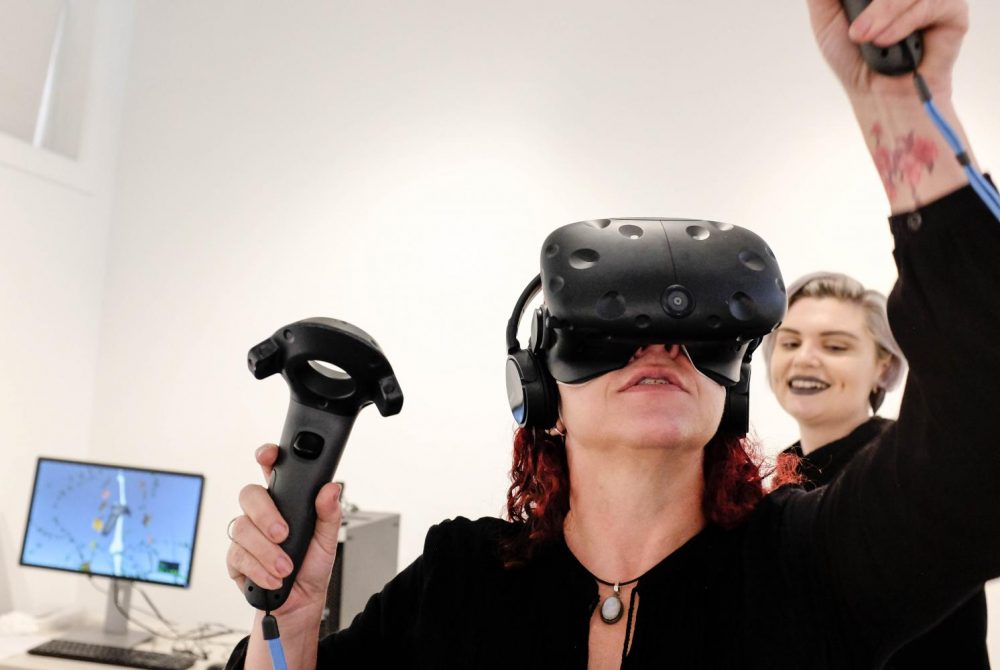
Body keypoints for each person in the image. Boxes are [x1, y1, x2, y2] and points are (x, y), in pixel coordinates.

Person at [224, 0, 1000, 667]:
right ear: (538, 394)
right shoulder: (461, 581)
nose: (657, 346)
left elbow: (981, 440)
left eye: (696, 332)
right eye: (604, 331)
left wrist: (905, 106)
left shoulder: (812, 566)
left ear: (728, 393)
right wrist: (285, 625)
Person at [764, 272, 991, 668]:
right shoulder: (779, 480)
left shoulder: (909, 471)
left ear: (883, 368)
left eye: (835, 346)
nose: (804, 358)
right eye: (790, 342)